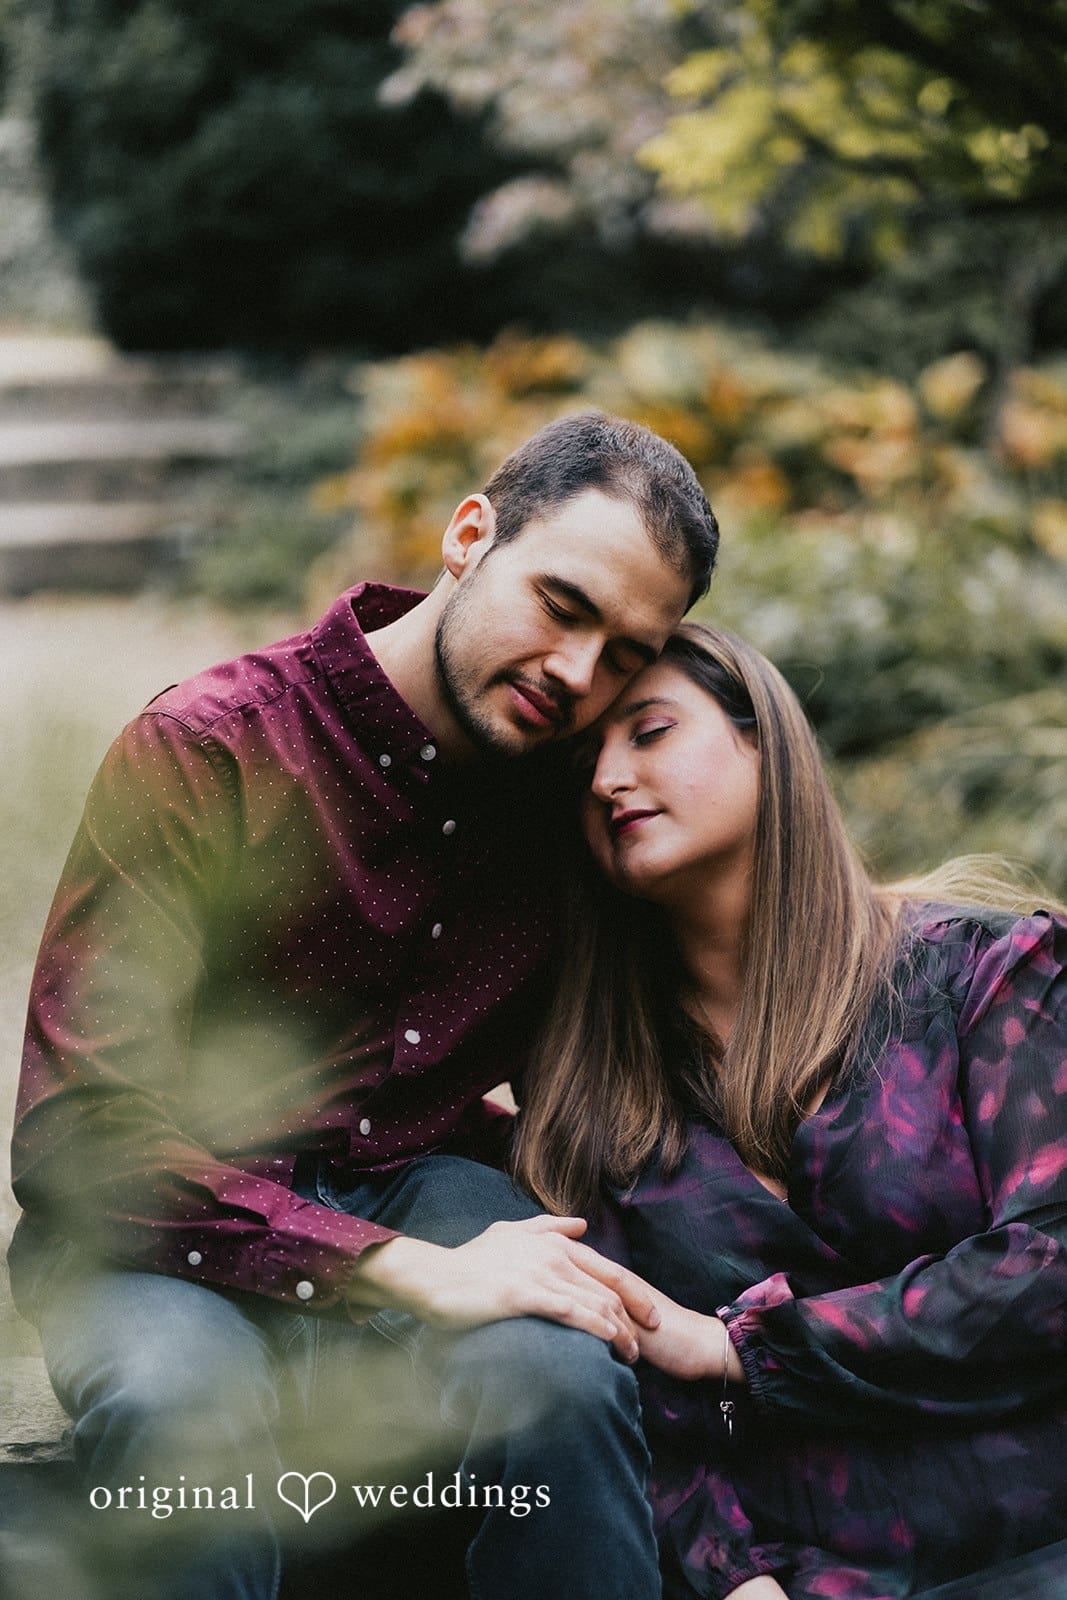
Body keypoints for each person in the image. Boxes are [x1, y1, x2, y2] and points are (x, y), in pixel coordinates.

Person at [7, 411, 720, 1600]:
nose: (577, 673)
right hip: (158, 1224)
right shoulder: (211, 747)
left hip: (424, 1180)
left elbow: (616, 1080)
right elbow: (80, 1137)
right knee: (190, 1425)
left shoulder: (569, 794)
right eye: (561, 603)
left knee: (564, 1373)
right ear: (467, 534)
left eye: (624, 652)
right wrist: (393, 1269)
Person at [513, 622, 1067, 1600]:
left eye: (646, 731)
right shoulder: (597, 1088)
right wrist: (737, 1578)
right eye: (581, 763)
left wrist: (741, 1348)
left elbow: (1047, 1267)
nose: (604, 778)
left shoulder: (985, 974)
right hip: (807, 1578)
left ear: (763, 742)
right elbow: (631, 1387)